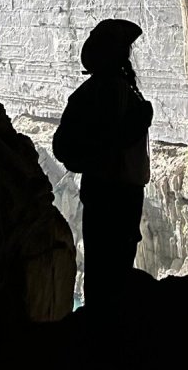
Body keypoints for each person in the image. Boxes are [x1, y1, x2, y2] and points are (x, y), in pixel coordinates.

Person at [52, 19, 153, 314]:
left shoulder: (95, 91)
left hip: (103, 191)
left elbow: (68, 145)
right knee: (114, 269)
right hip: (118, 191)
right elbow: (114, 138)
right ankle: (107, 336)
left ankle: (100, 333)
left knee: (101, 267)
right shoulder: (116, 90)